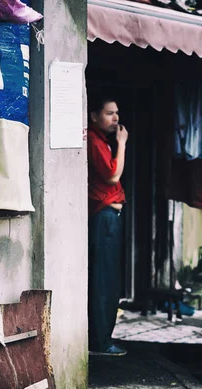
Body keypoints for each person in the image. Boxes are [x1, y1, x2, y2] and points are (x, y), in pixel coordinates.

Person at [87, 93, 128, 357]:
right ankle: (101, 342)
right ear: (94, 116)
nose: (115, 118)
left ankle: (103, 338)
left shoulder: (102, 140)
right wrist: (122, 144)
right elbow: (113, 175)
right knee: (104, 279)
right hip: (104, 217)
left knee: (109, 277)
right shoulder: (95, 140)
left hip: (109, 217)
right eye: (109, 113)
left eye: (117, 113)